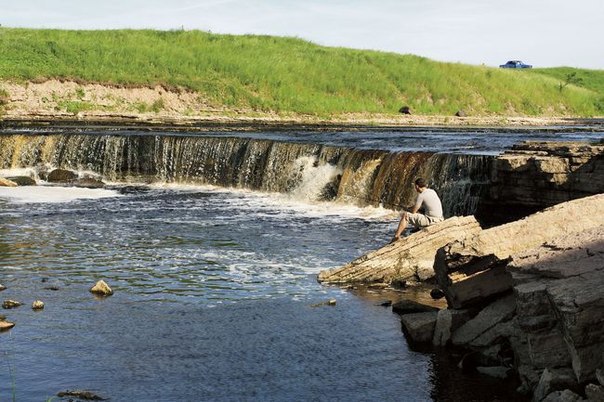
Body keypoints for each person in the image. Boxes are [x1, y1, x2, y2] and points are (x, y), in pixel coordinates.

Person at [392, 178, 444, 242]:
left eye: (415, 187)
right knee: (420, 211)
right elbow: (422, 207)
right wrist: (411, 208)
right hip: (440, 218)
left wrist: (407, 209)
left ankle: (396, 237)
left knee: (406, 215)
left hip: (431, 220)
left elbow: (413, 212)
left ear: (417, 186)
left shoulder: (421, 195)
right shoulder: (432, 191)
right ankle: (417, 228)